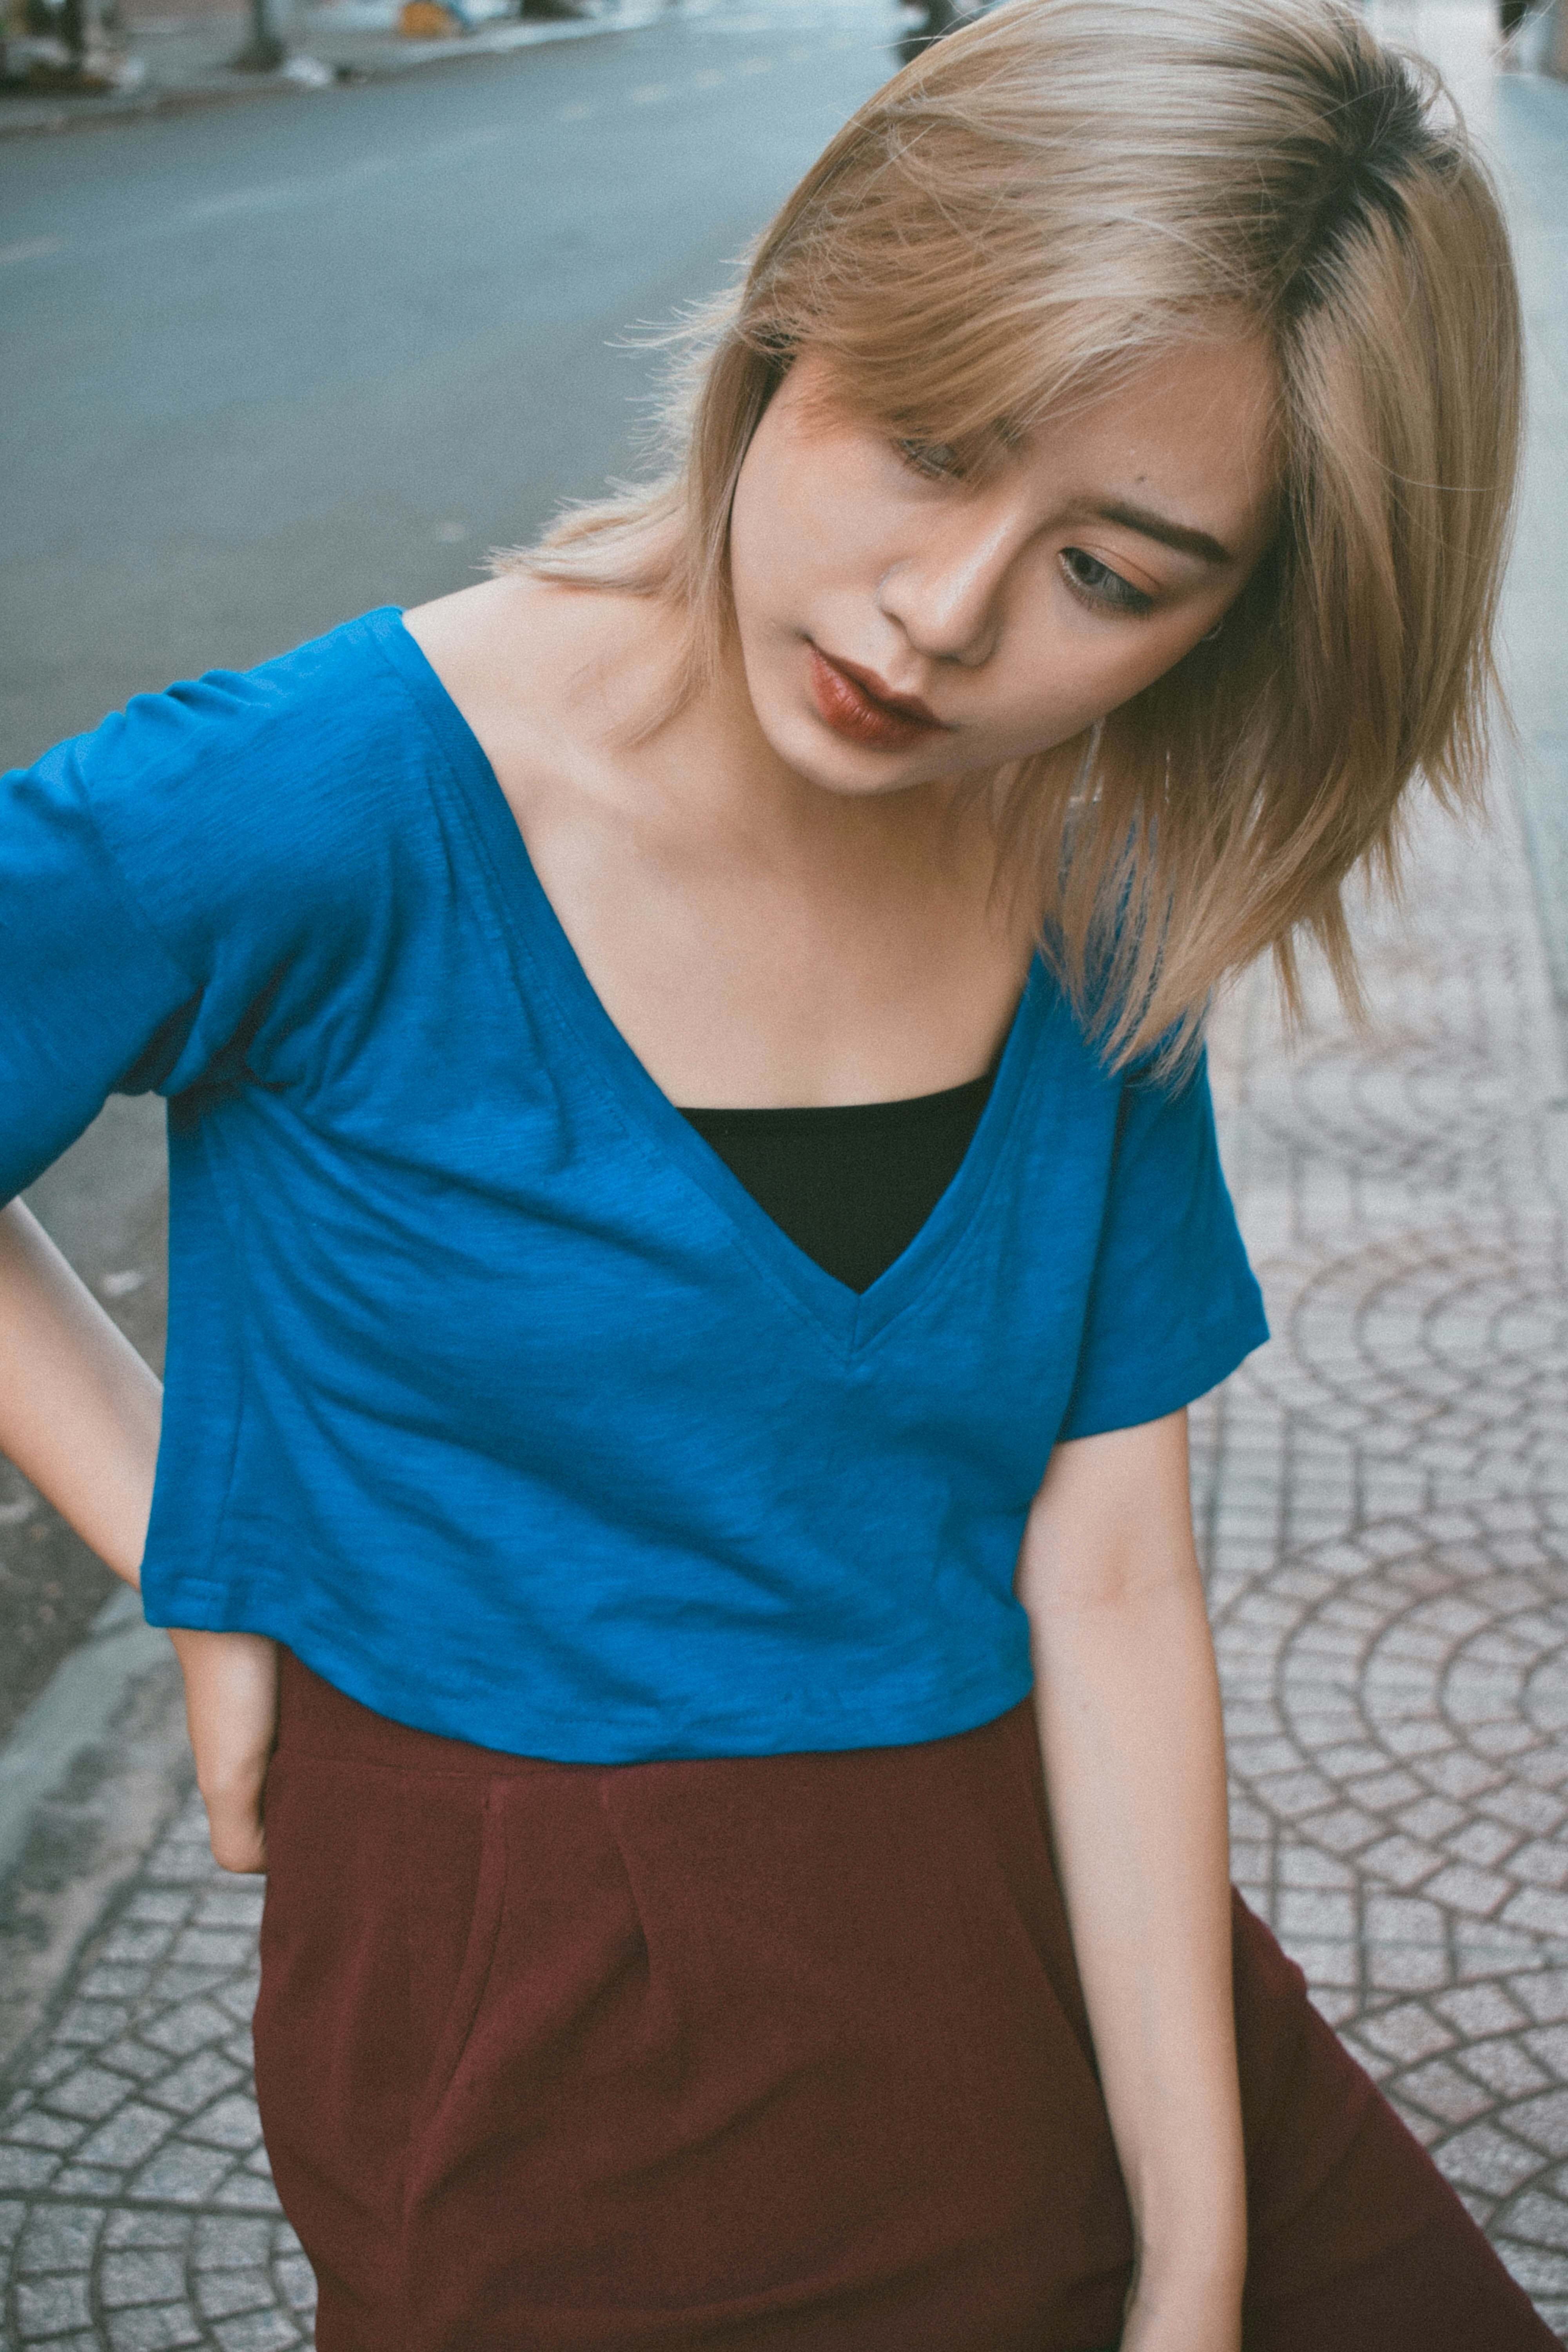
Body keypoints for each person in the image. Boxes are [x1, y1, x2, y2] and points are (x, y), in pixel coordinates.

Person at [0, 2, 1552, 2345]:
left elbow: (1111, 1577)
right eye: (928, 444)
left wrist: (1202, 2262)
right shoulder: (314, 801)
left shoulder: (1087, 894)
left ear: (1240, 619)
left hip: (1041, 1926)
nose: (943, 614)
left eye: (1112, 574)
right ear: (791, 322)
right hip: (547, 2031)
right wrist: (211, 1531)